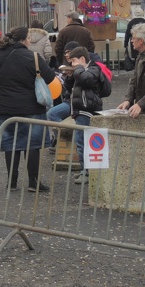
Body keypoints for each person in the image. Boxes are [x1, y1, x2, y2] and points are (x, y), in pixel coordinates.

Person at [0, 26, 56, 193]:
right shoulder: (34, 58)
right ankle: (33, 181)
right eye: (29, 38)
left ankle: (12, 181)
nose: (30, 40)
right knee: (33, 144)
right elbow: (50, 77)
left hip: (5, 108)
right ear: (24, 40)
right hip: (32, 107)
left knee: (10, 143)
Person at [46, 45, 103, 184]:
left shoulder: (93, 69)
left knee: (83, 142)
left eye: (73, 61)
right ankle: (84, 170)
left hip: (86, 109)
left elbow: (85, 79)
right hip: (78, 109)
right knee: (80, 141)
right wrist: (70, 77)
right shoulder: (80, 71)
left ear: (82, 59)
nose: (71, 64)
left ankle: (88, 172)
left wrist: (77, 69)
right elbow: (70, 88)